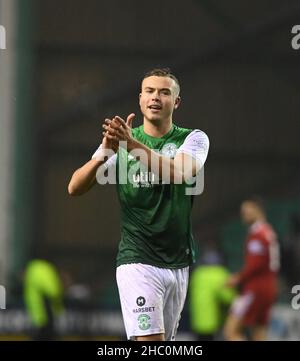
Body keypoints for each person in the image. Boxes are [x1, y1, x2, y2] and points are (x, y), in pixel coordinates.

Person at [68, 68, 209, 341]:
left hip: (177, 263)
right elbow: (74, 187)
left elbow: (178, 173)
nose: (156, 97)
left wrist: (130, 145)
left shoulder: (193, 139)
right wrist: (106, 151)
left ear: (176, 102)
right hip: (137, 260)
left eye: (164, 92)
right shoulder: (121, 142)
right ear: (140, 99)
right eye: (150, 91)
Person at [224, 197, 280, 341]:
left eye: (247, 211)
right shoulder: (268, 232)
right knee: (259, 333)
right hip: (270, 287)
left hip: (255, 288)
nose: (244, 214)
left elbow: (255, 265)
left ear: (258, 211)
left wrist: (237, 278)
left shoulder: (258, 235)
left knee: (231, 330)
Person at [189, 250, 236, 341]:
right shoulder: (219, 273)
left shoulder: (197, 273)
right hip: (213, 323)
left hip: (197, 321)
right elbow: (227, 298)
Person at [23, 259, 64, 341]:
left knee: (40, 333)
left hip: (37, 313)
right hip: (45, 312)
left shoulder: (33, 269)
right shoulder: (45, 269)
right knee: (45, 333)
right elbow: (53, 291)